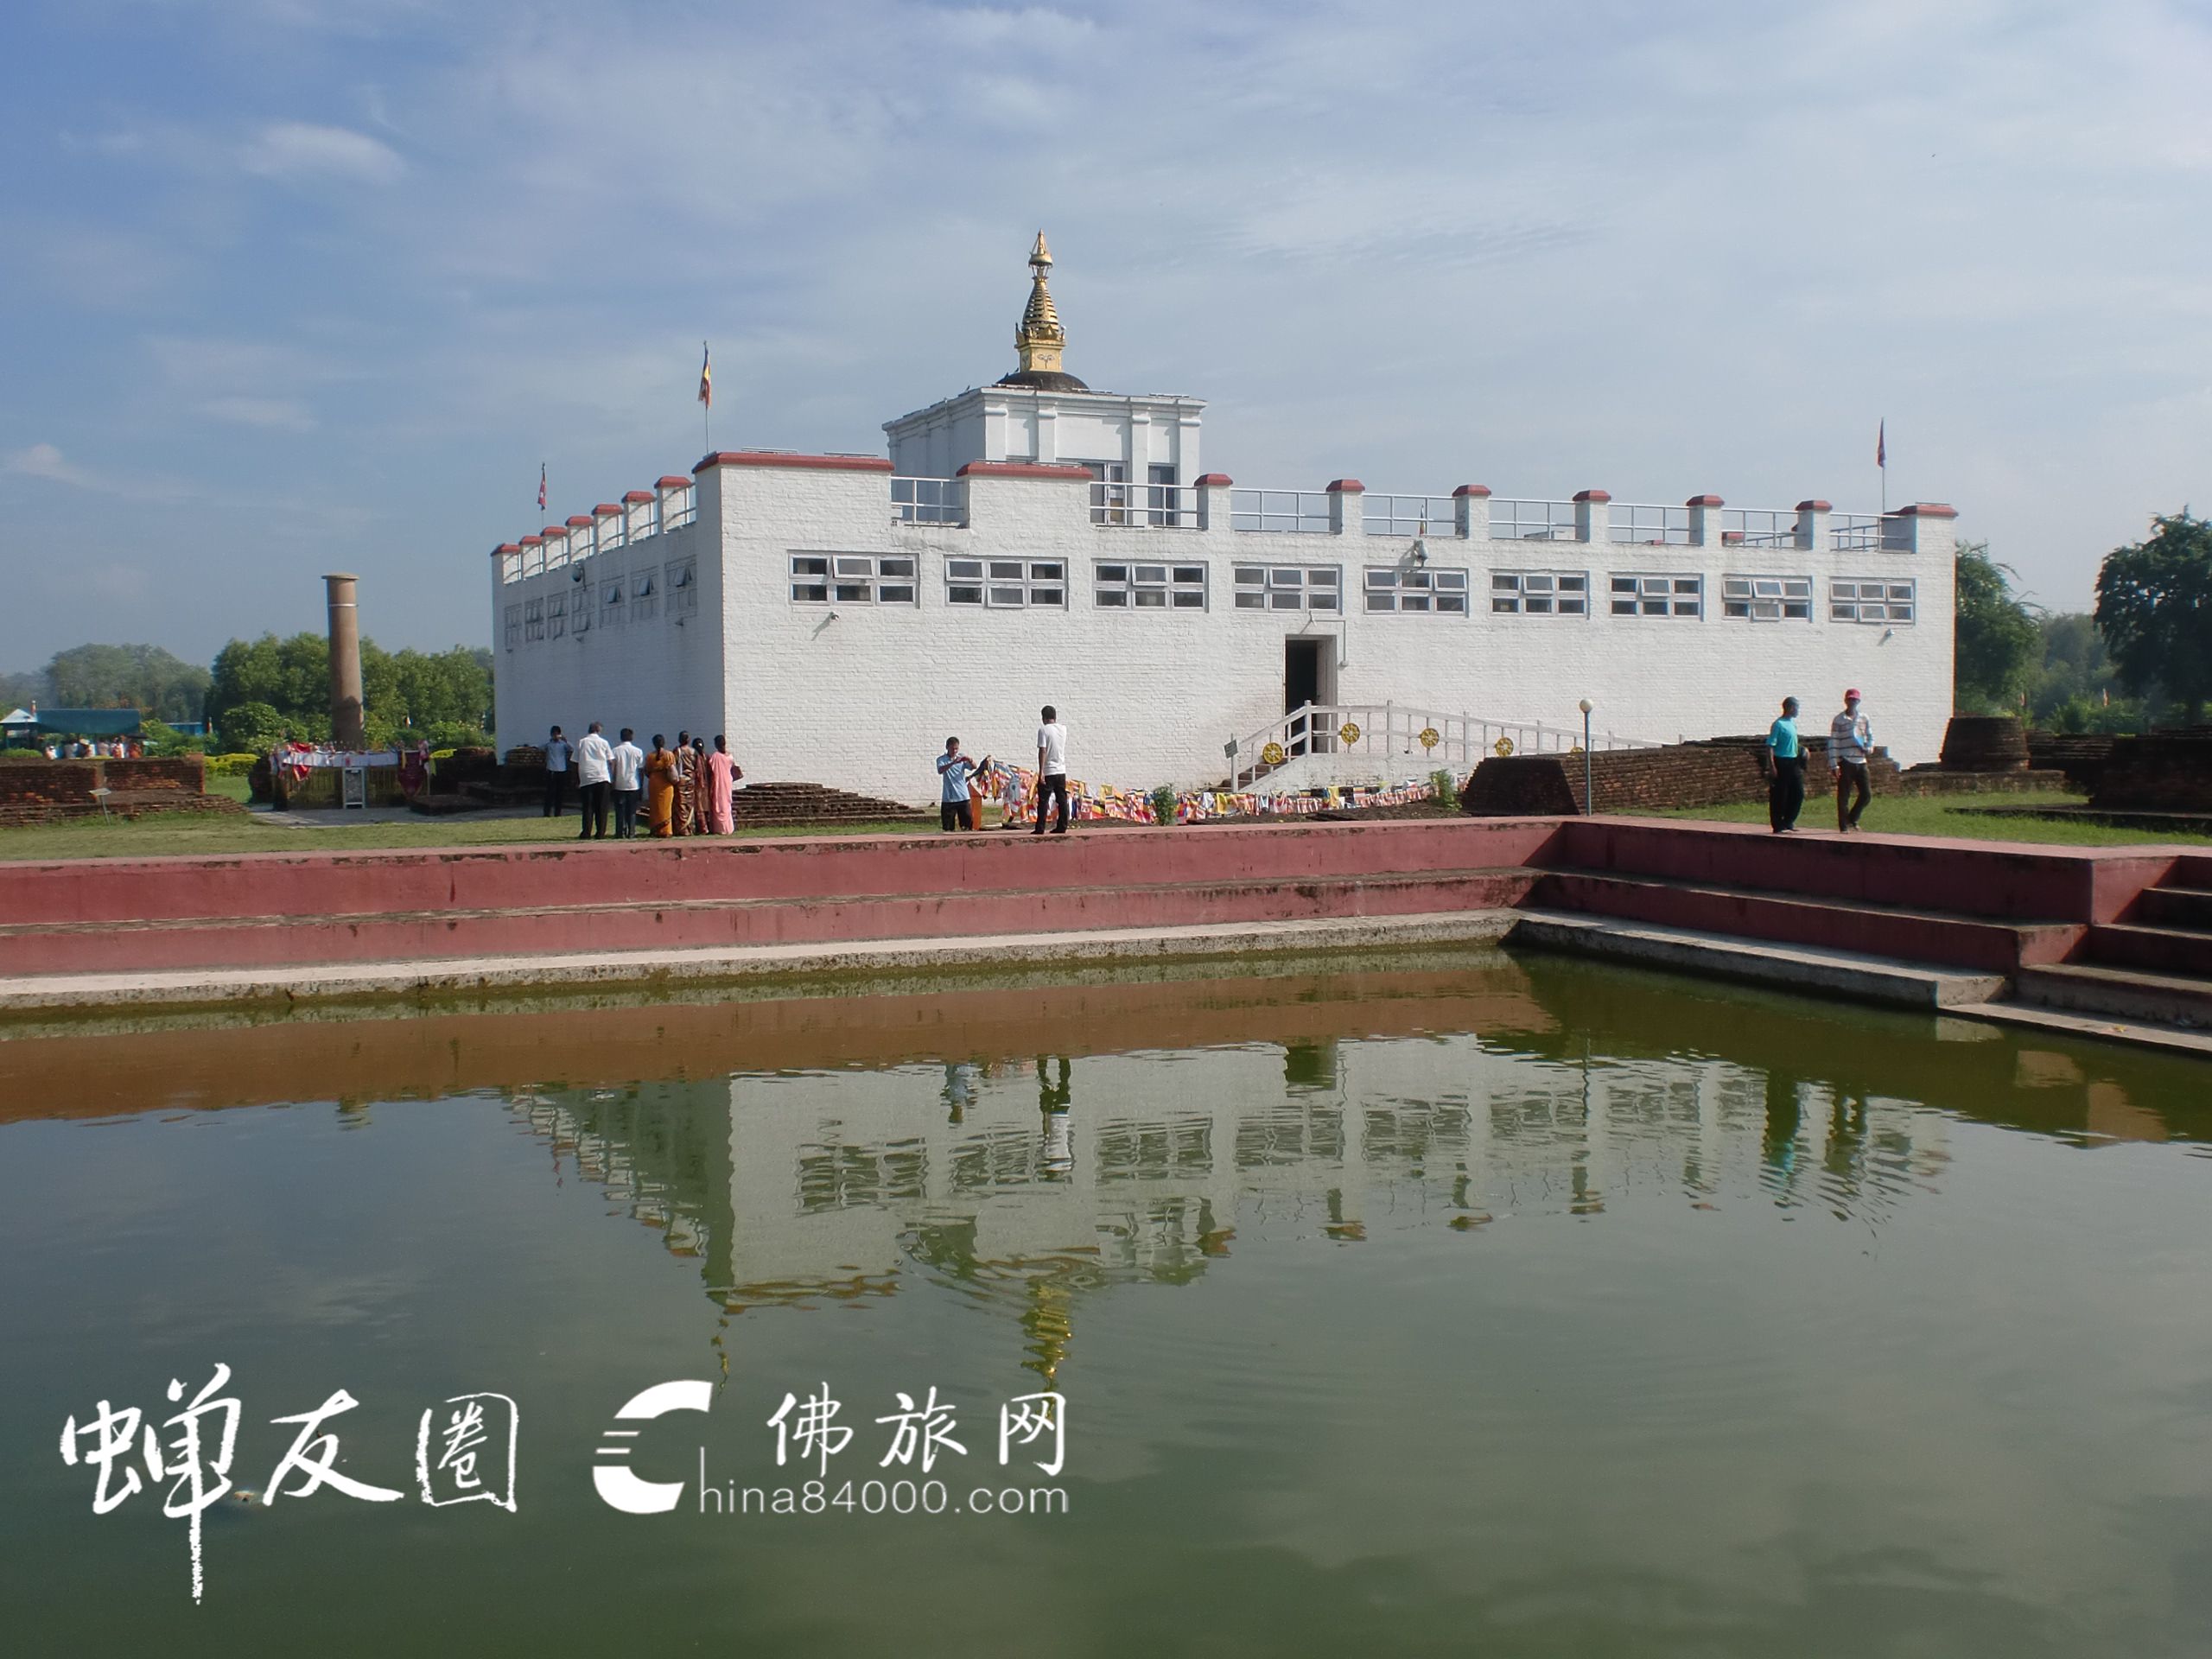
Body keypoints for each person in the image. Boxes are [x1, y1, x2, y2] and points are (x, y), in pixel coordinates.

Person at [1828, 688, 1874, 833]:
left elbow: (1870, 737)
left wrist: (1869, 748)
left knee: (1866, 794)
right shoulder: (1839, 720)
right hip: (1846, 760)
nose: (1852, 702)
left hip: (1861, 760)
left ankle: (1852, 818)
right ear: (1845, 701)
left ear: (1858, 701)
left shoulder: (1864, 718)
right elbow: (1833, 742)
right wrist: (1834, 764)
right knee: (1844, 795)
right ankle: (1843, 825)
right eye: (1850, 699)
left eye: (1854, 700)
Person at [1765, 696, 1806, 833]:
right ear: (1790, 708)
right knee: (1780, 794)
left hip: (1793, 761)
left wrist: (1802, 750)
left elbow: (1791, 742)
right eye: (1796, 708)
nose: (1798, 711)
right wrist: (1772, 766)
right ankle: (1778, 824)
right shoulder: (1779, 724)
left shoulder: (1792, 724)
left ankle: (1789, 821)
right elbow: (1770, 746)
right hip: (1781, 761)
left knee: (1798, 793)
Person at [936, 738, 990, 832]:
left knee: (967, 827)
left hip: (963, 797)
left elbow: (974, 767)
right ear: (947, 747)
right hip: (949, 798)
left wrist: (970, 760)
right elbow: (940, 770)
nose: (954, 751)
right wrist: (953, 763)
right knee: (948, 828)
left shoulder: (961, 758)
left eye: (956, 749)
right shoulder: (942, 759)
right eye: (952, 749)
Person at [1033, 704, 1070, 836]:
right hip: (1061, 769)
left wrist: (1041, 771)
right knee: (1062, 799)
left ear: (1044, 718)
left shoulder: (1044, 730)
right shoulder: (1063, 729)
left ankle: (1040, 827)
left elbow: (1042, 750)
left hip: (1049, 770)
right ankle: (1063, 825)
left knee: (1043, 800)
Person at [574, 721, 613, 839]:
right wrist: (612, 776)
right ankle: (600, 833)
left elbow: (575, 761)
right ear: (599, 730)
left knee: (588, 807)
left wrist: (576, 778)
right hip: (602, 777)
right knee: (602, 807)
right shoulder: (604, 743)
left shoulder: (582, 742)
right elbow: (611, 760)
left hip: (586, 777)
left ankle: (586, 832)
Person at [610, 727, 646, 838]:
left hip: (619, 784)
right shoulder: (638, 751)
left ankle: (620, 832)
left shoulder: (615, 751)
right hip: (633, 784)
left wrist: (612, 782)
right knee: (632, 810)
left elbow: (613, 768)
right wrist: (641, 784)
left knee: (620, 810)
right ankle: (631, 832)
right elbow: (640, 770)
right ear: (632, 737)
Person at [645, 735, 678, 837]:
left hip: (654, 783)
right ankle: (665, 830)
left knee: (655, 807)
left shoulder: (650, 756)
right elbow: (672, 769)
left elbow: (647, 771)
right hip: (665, 784)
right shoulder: (669, 755)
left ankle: (655, 829)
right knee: (666, 807)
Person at [706, 734, 740, 835]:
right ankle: (727, 828)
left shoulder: (715, 756)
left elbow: (712, 772)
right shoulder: (730, 756)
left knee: (719, 804)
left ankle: (720, 828)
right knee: (726, 804)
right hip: (727, 782)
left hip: (719, 782)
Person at [671, 729, 696, 837]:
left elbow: (673, 764)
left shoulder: (678, 751)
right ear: (688, 740)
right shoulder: (693, 751)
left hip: (681, 780)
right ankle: (689, 828)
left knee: (680, 805)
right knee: (689, 805)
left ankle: (682, 828)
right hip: (691, 780)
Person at [543, 725, 572, 817]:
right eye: (553, 734)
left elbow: (572, 748)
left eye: (557, 734)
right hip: (551, 770)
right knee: (549, 792)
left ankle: (558, 812)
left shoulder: (563, 744)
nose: (555, 736)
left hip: (561, 770)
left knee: (560, 793)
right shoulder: (549, 744)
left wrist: (565, 740)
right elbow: (540, 747)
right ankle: (547, 812)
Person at [690, 737, 712, 834]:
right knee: (702, 807)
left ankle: (704, 828)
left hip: (701, 785)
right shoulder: (704, 756)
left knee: (702, 807)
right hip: (702, 785)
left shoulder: (702, 756)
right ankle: (704, 828)